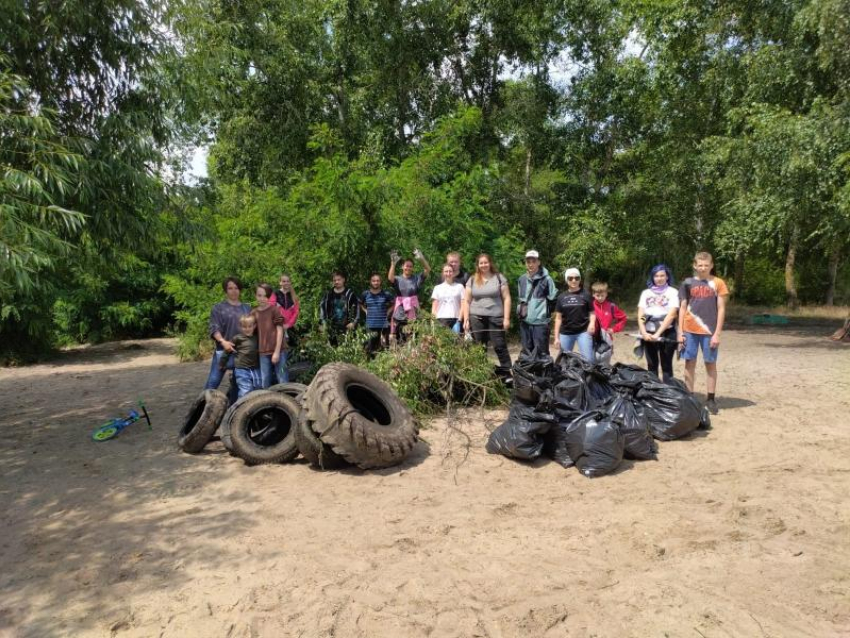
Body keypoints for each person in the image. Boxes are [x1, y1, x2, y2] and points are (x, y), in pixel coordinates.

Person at [678, 252, 728, 414]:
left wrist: (717, 334)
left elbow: (721, 309)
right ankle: (689, 397)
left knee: (710, 363)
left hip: (709, 331)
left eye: (706, 265)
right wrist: (680, 332)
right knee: (689, 363)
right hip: (689, 330)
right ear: (695, 265)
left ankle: (711, 399)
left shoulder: (718, 283)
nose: (703, 268)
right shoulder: (687, 283)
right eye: (700, 265)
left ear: (711, 266)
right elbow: (683, 308)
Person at [463, 253, 512, 380]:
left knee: (499, 345)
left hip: (495, 317)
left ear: (490, 263)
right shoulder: (472, 279)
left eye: (486, 262)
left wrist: (506, 318)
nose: (483, 265)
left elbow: (507, 298)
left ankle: (508, 374)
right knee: (479, 347)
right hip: (476, 317)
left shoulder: (499, 278)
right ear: (478, 265)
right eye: (481, 263)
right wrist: (466, 319)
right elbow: (466, 301)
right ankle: (480, 373)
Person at [204, 276, 251, 403]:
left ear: (240, 290)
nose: (233, 291)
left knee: (236, 384)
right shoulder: (218, 308)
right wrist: (223, 342)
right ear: (226, 290)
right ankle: (201, 409)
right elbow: (214, 328)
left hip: (242, 353)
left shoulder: (247, 308)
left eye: (236, 288)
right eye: (230, 288)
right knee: (212, 382)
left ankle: (232, 412)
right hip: (223, 351)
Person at [637, 265, 679, 381]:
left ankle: (667, 392)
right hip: (649, 333)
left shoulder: (673, 292)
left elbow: (671, 315)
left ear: (667, 277)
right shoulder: (646, 293)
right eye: (656, 276)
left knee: (666, 366)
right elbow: (642, 315)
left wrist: (658, 333)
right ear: (652, 277)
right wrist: (644, 332)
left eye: (662, 275)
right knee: (651, 365)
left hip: (667, 332)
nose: (659, 278)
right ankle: (653, 392)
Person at [516, 250, 557, 357]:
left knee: (541, 354)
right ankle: (528, 374)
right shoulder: (521, 279)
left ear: (538, 262)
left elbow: (553, 300)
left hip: (541, 324)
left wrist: (543, 314)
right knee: (527, 352)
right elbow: (521, 300)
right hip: (525, 322)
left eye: (533, 261)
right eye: (528, 261)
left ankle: (543, 374)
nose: (531, 264)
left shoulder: (547, 280)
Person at [553, 268, 596, 362]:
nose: (574, 280)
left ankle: (587, 377)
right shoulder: (561, 297)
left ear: (580, 279)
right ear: (566, 280)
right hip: (566, 333)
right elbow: (558, 318)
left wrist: (592, 324)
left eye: (577, 278)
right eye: (570, 278)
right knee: (562, 361)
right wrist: (556, 338)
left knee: (588, 360)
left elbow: (592, 313)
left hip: (583, 332)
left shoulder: (586, 295)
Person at [388, 249, 431, 344]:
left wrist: (421, 258)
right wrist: (393, 263)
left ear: (413, 268)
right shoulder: (398, 279)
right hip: (400, 312)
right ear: (402, 267)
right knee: (399, 338)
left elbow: (427, 269)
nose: (408, 268)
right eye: (407, 266)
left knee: (412, 336)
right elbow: (390, 278)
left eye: (411, 266)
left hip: (413, 311)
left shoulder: (416, 278)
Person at [251, 283, 284, 389]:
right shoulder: (253, 313)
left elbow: (280, 330)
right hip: (263, 352)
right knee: (265, 381)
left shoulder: (274, 310)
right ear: (255, 296)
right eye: (259, 295)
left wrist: (277, 352)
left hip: (279, 350)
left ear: (269, 297)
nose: (262, 298)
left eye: (265, 296)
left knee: (282, 380)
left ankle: (289, 403)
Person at [270, 273, 299, 382]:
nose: (286, 283)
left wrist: (288, 324)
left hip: (288, 328)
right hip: (276, 327)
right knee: (277, 352)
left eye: (288, 281)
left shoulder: (294, 296)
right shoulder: (275, 294)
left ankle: (284, 379)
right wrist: (278, 323)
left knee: (284, 354)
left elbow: (296, 313)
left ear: (290, 282)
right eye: (284, 281)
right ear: (280, 282)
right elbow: (271, 309)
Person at [591, 282, 628, 365]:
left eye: (602, 295)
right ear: (593, 294)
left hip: (606, 340)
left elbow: (623, 318)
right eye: (598, 295)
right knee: (591, 364)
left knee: (605, 365)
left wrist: (614, 329)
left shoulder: (611, 306)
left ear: (606, 294)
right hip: (591, 339)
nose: (600, 298)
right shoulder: (589, 306)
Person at [319, 271, 361, 346]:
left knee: (347, 349)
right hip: (332, 328)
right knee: (334, 349)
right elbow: (323, 309)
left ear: (343, 280)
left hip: (347, 327)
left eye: (339, 279)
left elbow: (357, 309)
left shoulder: (350, 294)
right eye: (334, 280)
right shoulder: (328, 294)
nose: (336, 282)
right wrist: (323, 324)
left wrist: (354, 322)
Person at [361, 273, 395, 355]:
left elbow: (394, 304)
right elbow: (360, 303)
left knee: (385, 347)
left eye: (378, 281)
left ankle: (384, 365)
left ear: (380, 282)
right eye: (374, 281)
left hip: (383, 324)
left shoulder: (386, 294)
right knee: (370, 347)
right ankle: (369, 365)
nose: (376, 283)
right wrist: (365, 310)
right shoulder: (365, 294)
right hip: (370, 324)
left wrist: (388, 312)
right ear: (370, 282)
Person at [231, 315, 262, 398]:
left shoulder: (257, 338)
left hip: (255, 368)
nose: (247, 329)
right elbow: (228, 351)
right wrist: (222, 363)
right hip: (241, 368)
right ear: (240, 327)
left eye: (249, 326)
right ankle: (240, 408)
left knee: (258, 387)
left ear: (254, 326)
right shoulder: (237, 338)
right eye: (244, 327)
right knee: (246, 390)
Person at [431, 264, 465, 330]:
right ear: (443, 273)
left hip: (456, 319)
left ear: (454, 273)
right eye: (446, 271)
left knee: (457, 340)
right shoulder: (437, 288)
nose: (448, 273)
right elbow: (434, 307)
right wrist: (433, 321)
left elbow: (463, 305)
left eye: (450, 271)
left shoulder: (460, 287)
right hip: (441, 319)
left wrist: (459, 320)